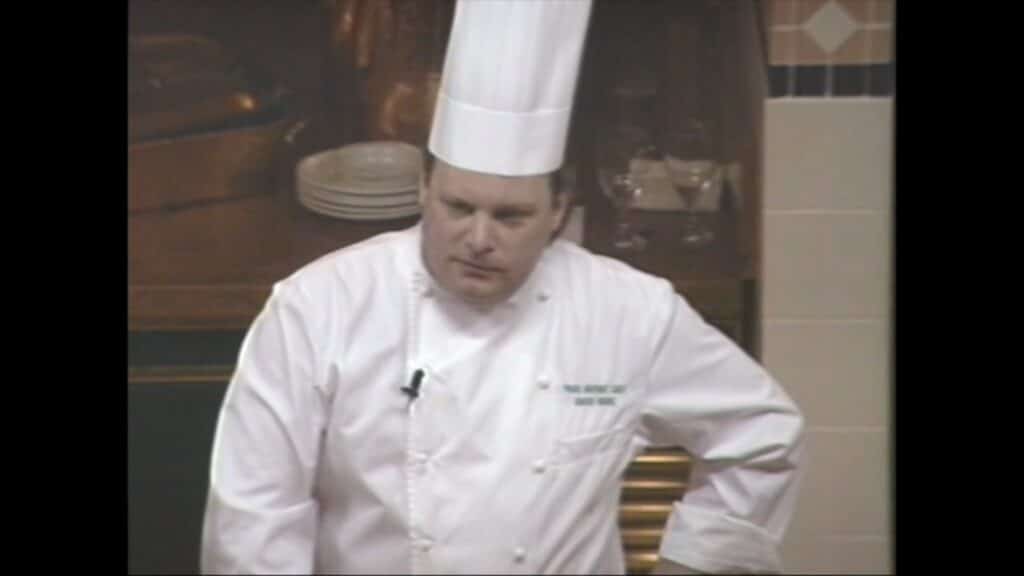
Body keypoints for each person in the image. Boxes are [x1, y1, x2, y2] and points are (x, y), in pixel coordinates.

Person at [200, 1, 805, 573]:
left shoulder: (629, 313)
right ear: (423, 189)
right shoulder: (318, 308)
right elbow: (255, 519)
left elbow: (764, 435)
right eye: (458, 207)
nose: (479, 239)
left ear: (558, 211)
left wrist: (692, 563)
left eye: (511, 216)